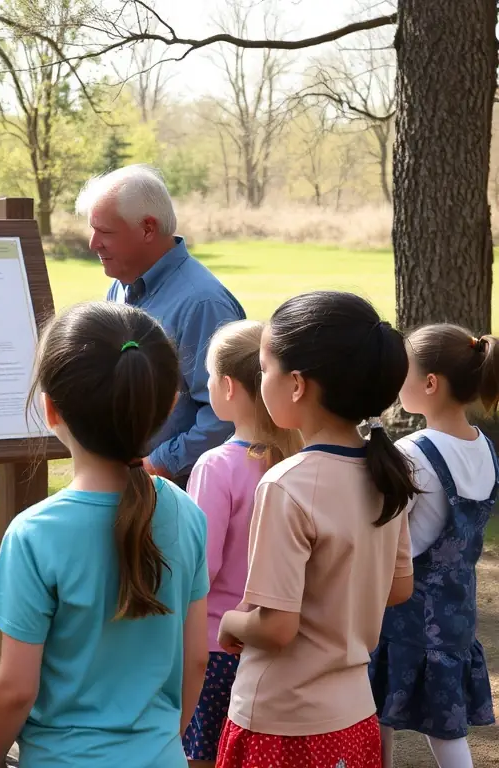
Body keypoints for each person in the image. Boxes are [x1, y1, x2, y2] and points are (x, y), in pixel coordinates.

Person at [0, 301, 210, 767]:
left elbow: (16, 688)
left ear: (51, 408)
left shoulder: (34, 535)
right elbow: (196, 660)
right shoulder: (186, 512)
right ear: (167, 405)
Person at [215, 291, 417, 768]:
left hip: (281, 722)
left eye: (264, 368)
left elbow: (277, 628)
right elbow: (399, 587)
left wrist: (231, 622)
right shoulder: (386, 470)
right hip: (355, 717)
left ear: (298, 385)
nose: (261, 380)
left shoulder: (287, 484)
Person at [369, 323, 499, 768]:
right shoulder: (484, 447)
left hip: (402, 609)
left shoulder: (412, 453)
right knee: (446, 729)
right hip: (456, 612)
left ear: (429, 383)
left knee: (376, 710)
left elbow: (388, 528)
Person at [76, 164, 245, 488]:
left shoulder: (203, 304)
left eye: (106, 232)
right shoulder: (122, 286)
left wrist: (157, 464)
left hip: (178, 498)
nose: (93, 243)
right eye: (93, 230)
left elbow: (226, 414)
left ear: (148, 228)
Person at [181, 320, 302, 768]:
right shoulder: (299, 457)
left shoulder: (216, 466)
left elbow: (200, 567)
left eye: (209, 377)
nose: (208, 385)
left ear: (228, 387)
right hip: (278, 643)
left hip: (215, 646)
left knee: (203, 757)